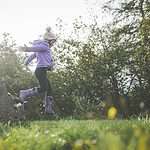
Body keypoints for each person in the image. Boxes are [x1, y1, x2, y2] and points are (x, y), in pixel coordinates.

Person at [19, 27, 57, 114]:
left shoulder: (44, 48)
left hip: (42, 70)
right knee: (44, 88)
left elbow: (33, 55)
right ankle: (24, 93)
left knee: (49, 89)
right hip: (40, 70)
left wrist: (26, 62)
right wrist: (26, 49)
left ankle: (48, 109)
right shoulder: (44, 46)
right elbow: (35, 49)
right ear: (49, 40)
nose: (53, 44)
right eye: (53, 42)